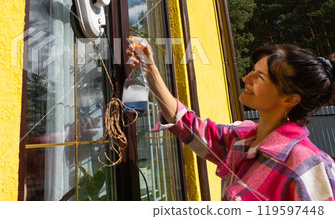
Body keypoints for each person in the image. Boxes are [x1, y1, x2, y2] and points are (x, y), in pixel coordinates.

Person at [127, 42, 335, 201]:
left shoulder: (310, 167)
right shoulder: (240, 138)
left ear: (289, 99)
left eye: (259, 76)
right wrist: (149, 68)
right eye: (252, 69)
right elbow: (188, 125)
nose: (246, 78)